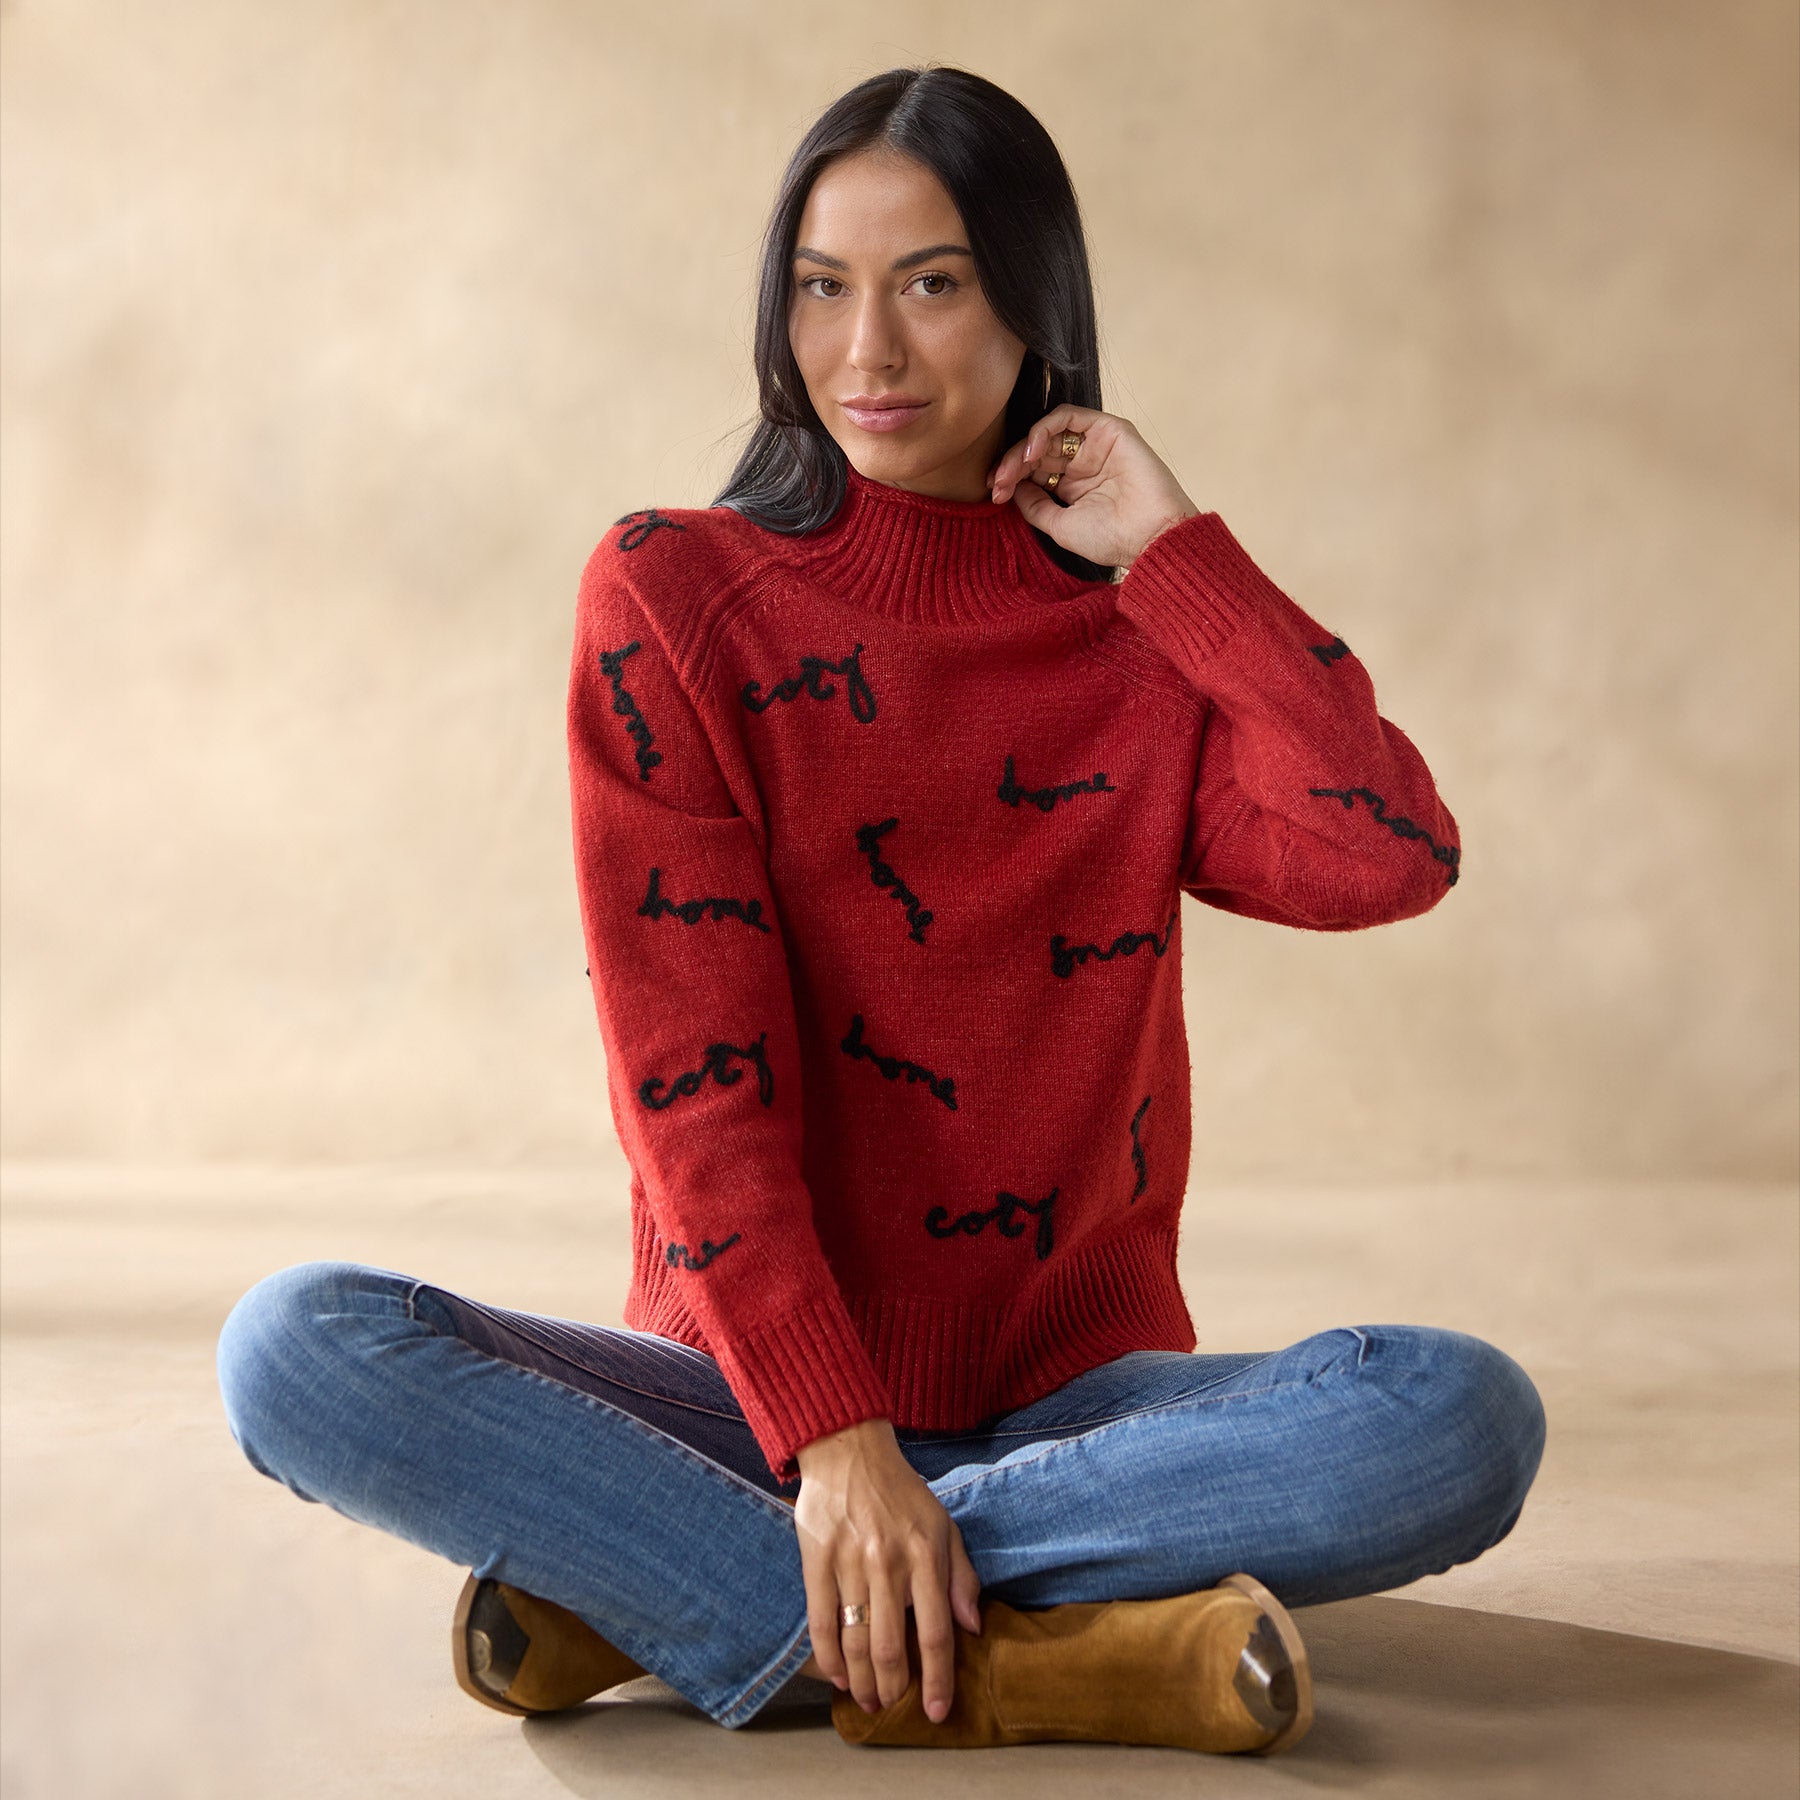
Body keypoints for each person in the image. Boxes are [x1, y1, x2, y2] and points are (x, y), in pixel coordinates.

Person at [215, 63, 1545, 1758]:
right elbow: (690, 1080)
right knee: (295, 1348)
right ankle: (1042, 1658)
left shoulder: (1140, 644)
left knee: (1458, 1418)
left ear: (1034, 305)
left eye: (933, 283)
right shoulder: (676, 596)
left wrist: (1177, 554)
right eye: (822, 288)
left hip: (1077, 1410)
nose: (870, 350)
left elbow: (1392, 850)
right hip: (753, 1402)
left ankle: (698, 1599)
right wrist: (839, 1443)